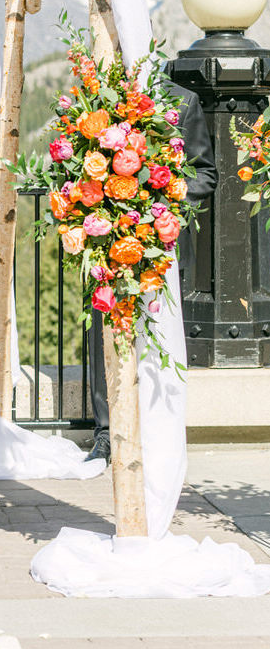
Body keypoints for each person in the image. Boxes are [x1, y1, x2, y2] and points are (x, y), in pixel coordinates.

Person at [84, 79, 217, 463]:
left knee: (160, 337)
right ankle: (105, 432)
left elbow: (205, 174)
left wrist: (162, 197)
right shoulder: (98, 100)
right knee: (104, 337)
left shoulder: (184, 100)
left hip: (162, 247)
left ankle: (160, 426)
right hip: (110, 243)